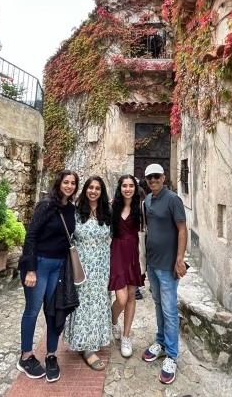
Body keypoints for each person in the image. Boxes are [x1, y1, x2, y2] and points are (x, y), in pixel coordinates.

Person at [17, 170, 79, 383]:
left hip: (58, 266)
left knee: (53, 311)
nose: (69, 186)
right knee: (32, 311)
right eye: (66, 182)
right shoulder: (46, 205)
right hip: (40, 265)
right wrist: (31, 269)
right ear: (59, 183)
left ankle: (51, 355)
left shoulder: (71, 209)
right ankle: (25, 356)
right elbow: (31, 236)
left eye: (73, 183)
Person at [141, 163, 187, 385]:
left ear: (164, 177)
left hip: (168, 266)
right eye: (149, 178)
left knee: (169, 310)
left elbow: (182, 229)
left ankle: (171, 355)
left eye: (156, 177)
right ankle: (160, 342)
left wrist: (179, 259)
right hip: (153, 264)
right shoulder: (147, 201)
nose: (153, 181)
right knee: (158, 305)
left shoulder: (173, 199)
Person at [64, 176, 112, 371]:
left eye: (97, 188)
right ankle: (86, 348)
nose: (93, 191)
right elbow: (67, 237)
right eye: (90, 187)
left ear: (102, 192)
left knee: (99, 304)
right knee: (84, 305)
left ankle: (95, 339)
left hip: (102, 267)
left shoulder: (106, 212)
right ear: (85, 190)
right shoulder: (75, 212)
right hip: (82, 267)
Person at [109, 175, 144, 357]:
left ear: (135, 188)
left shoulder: (141, 207)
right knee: (121, 299)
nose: (128, 189)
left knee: (131, 296)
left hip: (133, 255)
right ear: (120, 188)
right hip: (117, 253)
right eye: (125, 185)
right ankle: (113, 319)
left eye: (131, 185)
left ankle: (126, 336)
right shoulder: (112, 206)